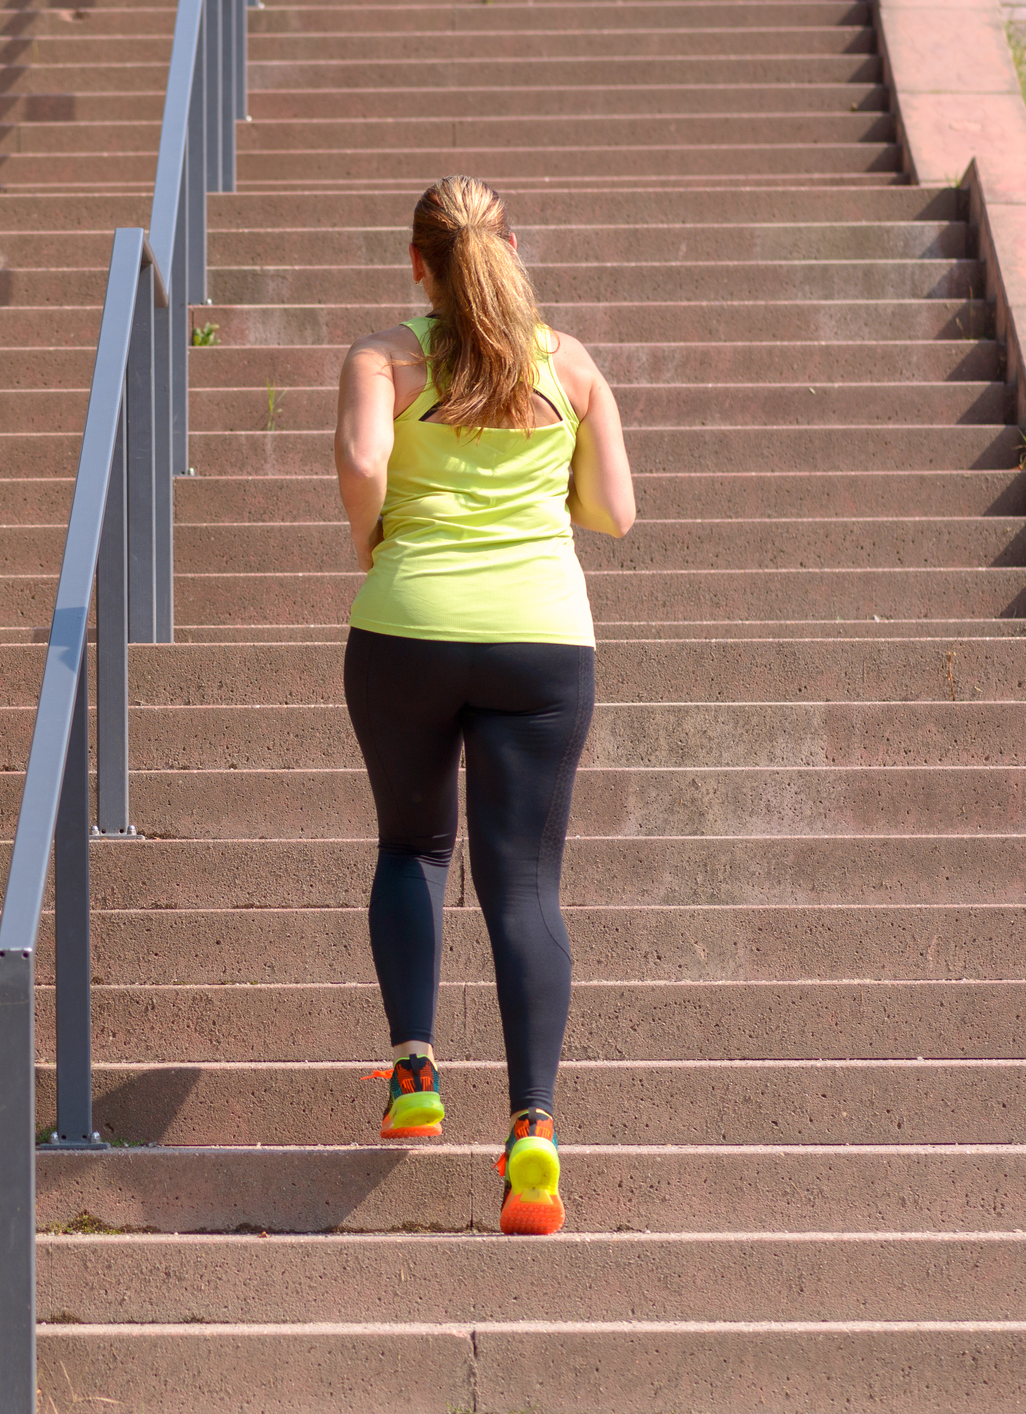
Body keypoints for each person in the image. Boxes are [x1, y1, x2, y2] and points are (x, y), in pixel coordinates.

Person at [333, 176, 635, 1237]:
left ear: (418, 261)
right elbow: (615, 511)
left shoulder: (383, 357)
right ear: (509, 247)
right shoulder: (571, 364)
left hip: (406, 625)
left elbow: (367, 458)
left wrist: (376, 542)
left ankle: (414, 1073)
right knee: (525, 886)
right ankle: (533, 1135)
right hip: (542, 641)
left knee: (411, 844)